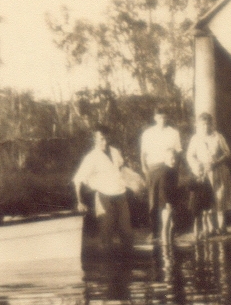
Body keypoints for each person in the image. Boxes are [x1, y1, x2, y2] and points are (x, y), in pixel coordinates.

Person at [73, 125, 133, 253]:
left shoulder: (115, 151)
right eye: (101, 139)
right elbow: (78, 180)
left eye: (106, 138)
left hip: (121, 195)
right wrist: (79, 201)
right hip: (104, 197)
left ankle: (127, 269)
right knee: (106, 235)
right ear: (94, 139)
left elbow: (122, 169)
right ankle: (105, 269)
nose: (104, 142)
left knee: (127, 233)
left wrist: (134, 182)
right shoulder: (91, 157)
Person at [186, 112, 231, 238]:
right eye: (202, 125)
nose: (205, 127)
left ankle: (222, 227)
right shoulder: (196, 138)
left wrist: (217, 161)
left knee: (220, 198)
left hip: (219, 171)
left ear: (211, 124)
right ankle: (211, 228)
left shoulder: (218, 137)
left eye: (208, 124)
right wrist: (198, 167)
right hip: (205, 174)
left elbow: (227, 153)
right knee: (207, 200)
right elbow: (190, 156)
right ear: (198, 125)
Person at [140, 108, 182, 243]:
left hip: (169, 169)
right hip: (153, 168)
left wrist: (175, 168)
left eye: (164, 117)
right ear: (155, 118)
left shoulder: (173, 133)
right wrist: (144, 168)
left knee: (169, 200)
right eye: (159, 117)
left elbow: (179, 152)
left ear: (167, 118)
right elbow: (143, 153)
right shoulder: (148, 133)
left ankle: (170, 229)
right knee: (153, 201)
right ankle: (154, 231)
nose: (162, 120)